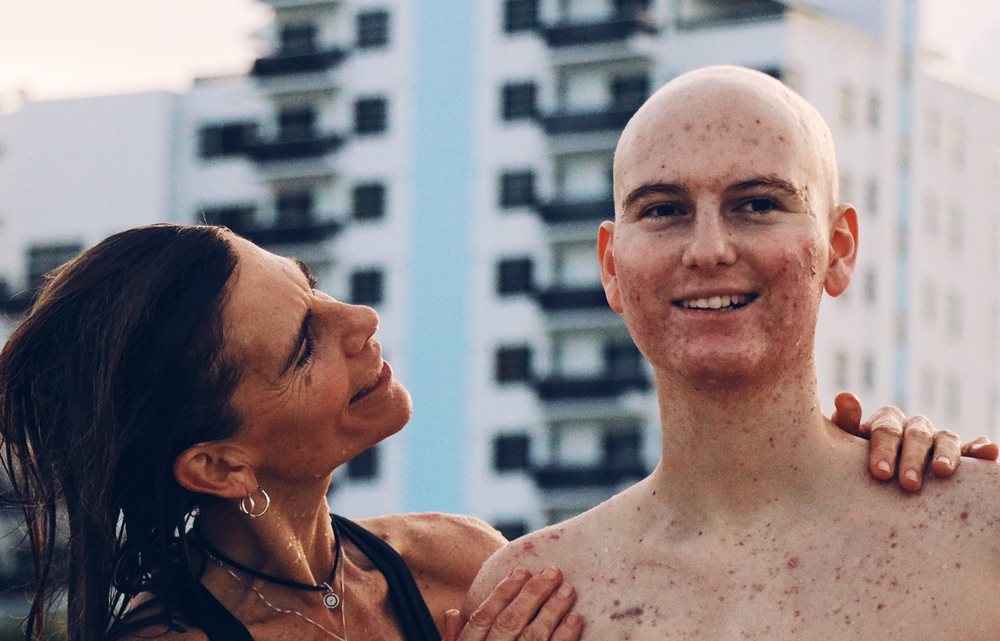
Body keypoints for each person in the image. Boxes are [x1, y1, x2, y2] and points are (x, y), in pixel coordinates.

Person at [0, 224, 987, 641]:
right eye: (305, 339)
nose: (359, 320)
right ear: (218, 462)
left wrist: (859, 468)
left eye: (308, 282)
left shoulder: (463, 566)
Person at [466, 65, 1000, 639]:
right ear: (611, 266)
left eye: (759, 204)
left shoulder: (979, 533)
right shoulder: (533, 597)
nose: (708, 249)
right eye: (663, 209)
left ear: (839, 249)